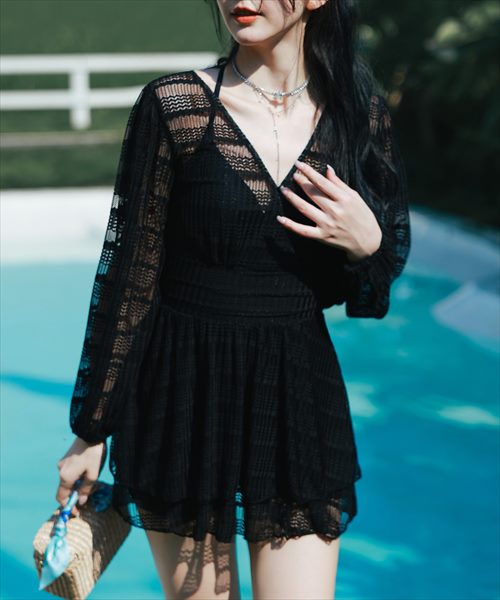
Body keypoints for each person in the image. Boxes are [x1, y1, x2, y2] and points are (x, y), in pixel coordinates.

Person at [55, 0, 411, 598]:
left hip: (297, 398)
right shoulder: (175, 107)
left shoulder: (358, 116)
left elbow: (368, 295)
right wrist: (92, 429)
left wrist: (366, 244)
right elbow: (130, 278)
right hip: (183, 400)